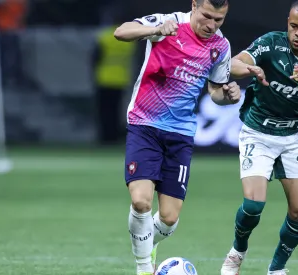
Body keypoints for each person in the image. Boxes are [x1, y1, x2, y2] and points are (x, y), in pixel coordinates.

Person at [113, 0, 240, 274]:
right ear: (194, 5)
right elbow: (121, 32)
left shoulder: (221, 46)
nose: (211, 25)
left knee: (169, 219)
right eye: (207, 16)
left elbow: (215, 91)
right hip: (144, 125)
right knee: (141, 201)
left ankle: (148, 243)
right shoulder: (168, 22)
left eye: (219, 20)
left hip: (180, 134)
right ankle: (144, 267)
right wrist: (155, 29)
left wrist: (227, 97)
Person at [220, 1, 298, 274]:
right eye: (293, 26)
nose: (297, 33)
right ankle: (237, 251)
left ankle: (276, 269)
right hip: (258, 132)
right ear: (287, 23)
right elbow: (233, 64)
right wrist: (251, 69)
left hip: (296, 136)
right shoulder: (271, 44)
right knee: (253, 204)